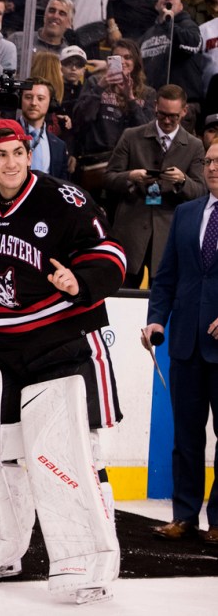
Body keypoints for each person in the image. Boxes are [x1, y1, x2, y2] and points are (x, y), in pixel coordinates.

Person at [0, 119, 126, 603]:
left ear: (29, 154)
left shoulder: (63, 200)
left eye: (19, 152)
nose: (12, 162)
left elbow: (110, 252)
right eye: (0, 154)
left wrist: (79, 281)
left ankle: (91, 561)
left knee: (73, 452)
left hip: (59, 342)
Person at [144, 138, 218, 546]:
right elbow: (166, 276)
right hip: (185, 342)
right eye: (207, 161)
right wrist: (156, 320)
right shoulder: (187, 213)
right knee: (186, 435)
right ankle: (184, 515)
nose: (211, 168)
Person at [104, 84, 206, 288]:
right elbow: (109, 178)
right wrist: (131, 176)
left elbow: (201, 191)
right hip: (131, 232)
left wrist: (182, 181)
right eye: (162, 115)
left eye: (174, 116)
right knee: (121, 296)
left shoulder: (195, 146)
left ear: (184, 111)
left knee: (162, 301)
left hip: (169, 235)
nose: (167, 120)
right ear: (154, 107)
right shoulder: (131, 136)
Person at [73, 39, 156, 175]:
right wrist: (100, 88)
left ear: (136, 62)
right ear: (110, 60)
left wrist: (131, 99)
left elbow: (147, 131)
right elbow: (81, 119)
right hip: (97, 160)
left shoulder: (148, 93)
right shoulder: (95, 82)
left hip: (130, 163)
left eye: (128, 57)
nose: (122, 62)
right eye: (117, 58)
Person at [17, 77, 70, 180]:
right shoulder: (3, 134)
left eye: (40, 98)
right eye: (28, 97)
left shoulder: (60, 146)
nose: (33, 103)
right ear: (20, 100)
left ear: (50, 103)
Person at [9, 0, 76, 58]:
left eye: (62, 13)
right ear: (45, 15)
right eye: (52, 11)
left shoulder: (68, 56)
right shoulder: (17, 40)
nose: (55, 16)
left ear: (70, 23)